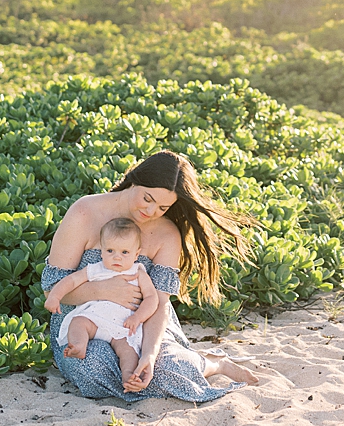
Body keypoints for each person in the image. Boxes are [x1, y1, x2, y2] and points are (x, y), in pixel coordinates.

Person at [40, 150, 259, 401]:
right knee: (93, 368)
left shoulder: (167, 234)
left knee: (163, 372)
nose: (151, 210)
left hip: (142, 324)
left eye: (163, 207)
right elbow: (51, 288)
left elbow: (160, 304)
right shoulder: (85, 212)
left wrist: (149, 354)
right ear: (135, 179)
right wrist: (103, 290)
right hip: (83, 319)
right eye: (147, 198)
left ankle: (213, 364)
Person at [44, 216, 159, 376]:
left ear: (136, 254)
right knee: (78, 322)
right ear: (102, 251)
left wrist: (138, 317)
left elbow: (152, 299)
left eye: (125, 252)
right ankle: (78, 346)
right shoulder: (96, 269)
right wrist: (55, 296)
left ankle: (129, 376)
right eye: (110, 251)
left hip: (122, 325)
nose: (117, 257)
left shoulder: (137, 272)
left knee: (129, 351)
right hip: (94, 320)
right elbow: (71, 280)